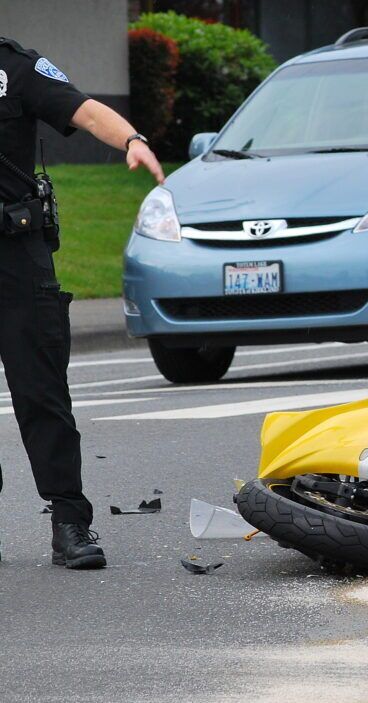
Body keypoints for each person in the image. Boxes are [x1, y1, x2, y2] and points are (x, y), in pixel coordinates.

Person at [0, 38, 163, 569]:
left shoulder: (15, 67)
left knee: (42, 393)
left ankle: (69, 523)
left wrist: (132, 139)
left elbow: (86, 110)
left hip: (15, 255)